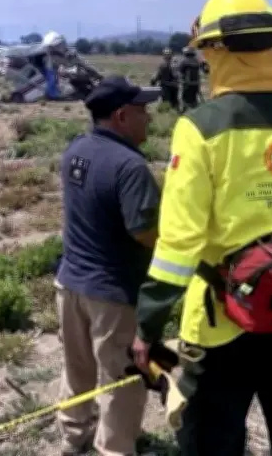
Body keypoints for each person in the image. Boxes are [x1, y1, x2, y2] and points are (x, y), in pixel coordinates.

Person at [130, 0, 272, 456]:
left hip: (219, 323)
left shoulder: (200, 128)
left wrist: (148, 326)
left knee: (212, 440)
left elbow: (178, 242)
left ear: (215, 51)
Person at [55, 75, 161, 456]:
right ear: (120, 116)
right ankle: (115, 450)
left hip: (70, 284)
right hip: (112, 294)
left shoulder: (76, 149)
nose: (149, 118)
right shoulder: (131, 167)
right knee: (122, 379)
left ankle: (73, 437)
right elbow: (144, 231)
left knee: (77, 369)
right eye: (142, 111)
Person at [150, 47, 179, 112]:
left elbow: (157, 75)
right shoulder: (176, 64)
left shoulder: (163, 65)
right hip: (175, 86)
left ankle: (166, 115)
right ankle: (177, 113)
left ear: (164, 55)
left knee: (166, 102)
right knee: (174, 101)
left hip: (166, 86)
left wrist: (153, 82)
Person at [178, 47, 201, 111]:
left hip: (187, 84)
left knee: (184, 99)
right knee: (194, 99)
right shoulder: (197, 61)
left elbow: (180, 72)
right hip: (196, 84)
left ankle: (184, 112)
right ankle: (195, 111)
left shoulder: (184, 61)